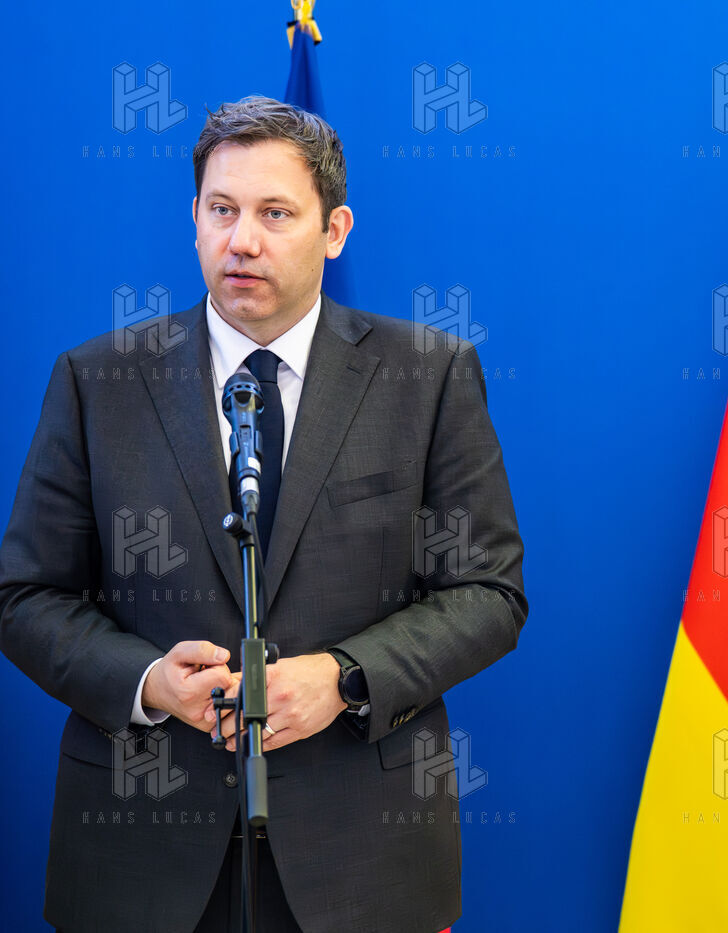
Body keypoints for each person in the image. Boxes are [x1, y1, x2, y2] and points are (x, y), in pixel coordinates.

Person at [0, 96, 526, 932]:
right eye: (222, 210)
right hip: (143, 849)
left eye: (275, 213)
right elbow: (26, 595)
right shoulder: (96, 380)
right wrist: (148, 681)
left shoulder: (428, 375)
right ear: (195, 220)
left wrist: (344, 676)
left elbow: (489, 592)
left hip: (362, 854)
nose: (242, 240)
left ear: (335, 230)